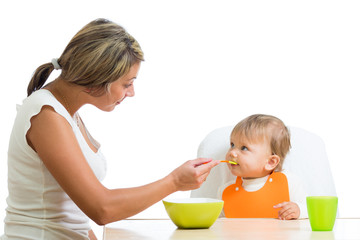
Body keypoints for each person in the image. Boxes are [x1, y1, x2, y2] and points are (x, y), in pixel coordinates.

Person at [1, 18, 220, 240]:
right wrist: (174, 182)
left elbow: (73, 215)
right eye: (127, 83)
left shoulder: (65, 113)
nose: (132, 92)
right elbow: (102, 209)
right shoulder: (46, 115)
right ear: (96, 79)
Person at [217, 114, 307, 220]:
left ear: (270, 162)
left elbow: (311, 211)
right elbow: (219, 224)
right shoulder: (225, 191)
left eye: (244, 148)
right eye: (232, 145)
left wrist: (298, 210)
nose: (232, 153)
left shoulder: (289, 183)